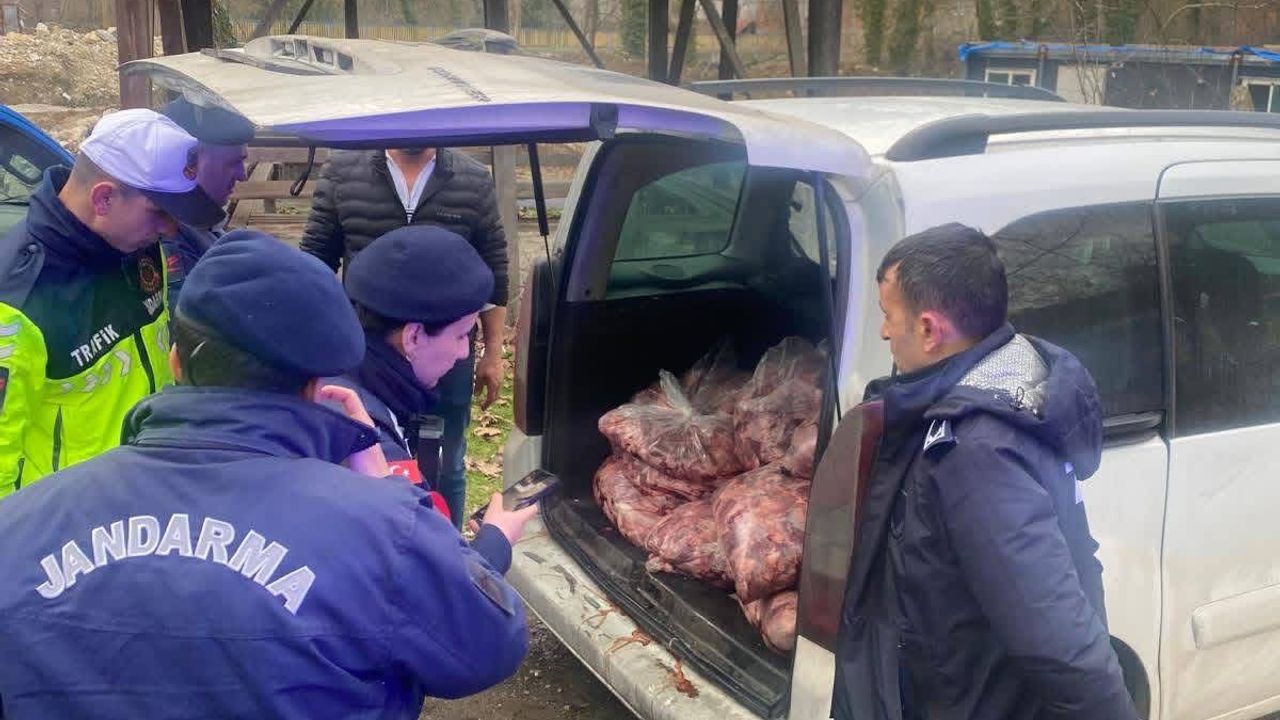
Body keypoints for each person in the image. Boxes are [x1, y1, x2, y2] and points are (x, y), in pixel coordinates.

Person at [0, 229, 534, 718]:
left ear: (176, 362)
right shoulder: (384, 531)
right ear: (317, 384)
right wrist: (393, 492)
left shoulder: (17, 526)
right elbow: (489, 643)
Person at [832, 224, 1137, 719]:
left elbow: (1057, 638)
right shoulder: (983, 393)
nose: (884, 332)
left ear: (929, 330)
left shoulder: (978, 452)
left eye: (888, 316)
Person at [0, 108, 224, 497]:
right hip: (70, 517)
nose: (171, 229)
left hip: (148, 487)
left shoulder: (137, 245)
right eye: (160, 213)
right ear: (103, 198)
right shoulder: (19, 297)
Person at [300, 146, 508, 528]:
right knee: (377, 446)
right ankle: (425, 534)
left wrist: (493, 351)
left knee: (447, 456)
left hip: (439, 345)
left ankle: (447, 535)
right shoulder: (342, 172)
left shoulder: (473, 179)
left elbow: (496, 272)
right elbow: (314, 263)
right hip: (371, 347)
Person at [326, 225, 491, 494]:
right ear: (413, 337)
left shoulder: (332, 376)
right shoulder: (370, 446)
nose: (464, 352)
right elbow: (404, 522)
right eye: (462, 335)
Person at [158, 96, 253, 307]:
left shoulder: (198, 223)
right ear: (189, 162)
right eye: (232, 162)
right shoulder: (171, 241)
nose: (242, 175)